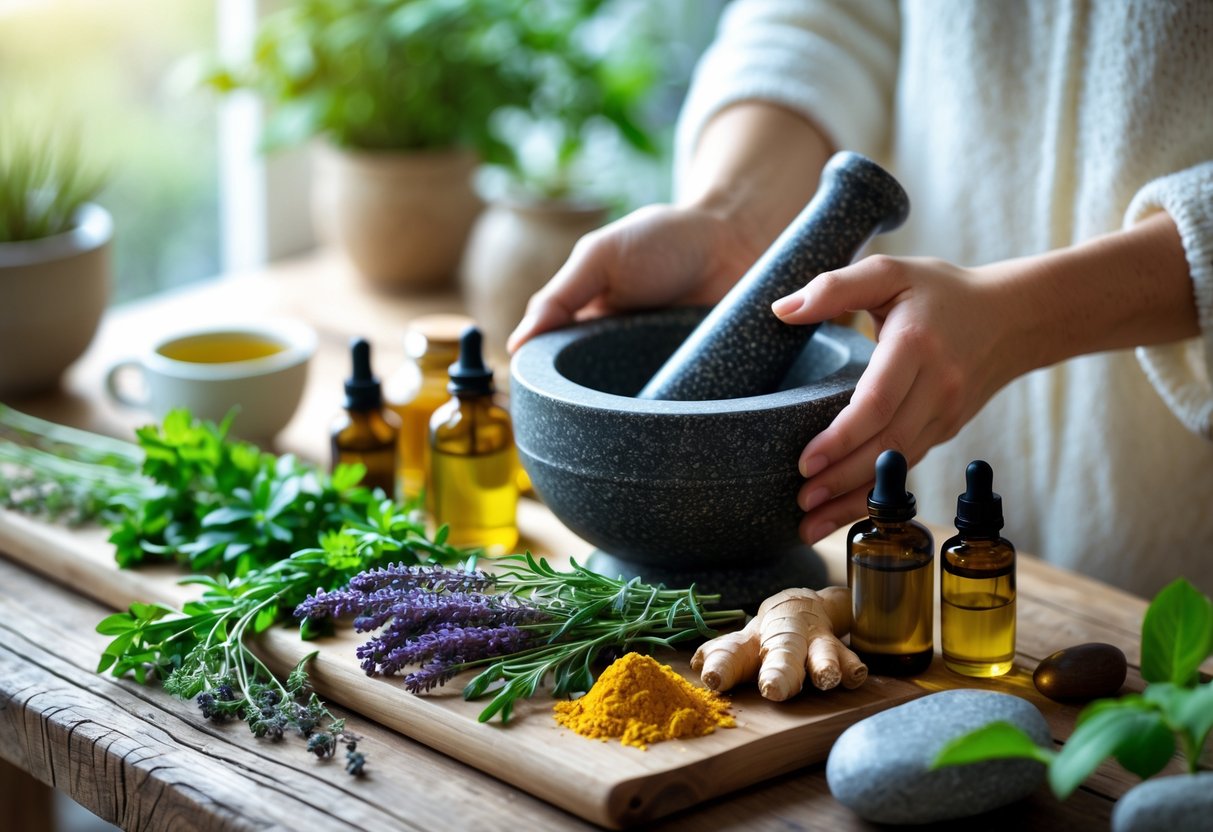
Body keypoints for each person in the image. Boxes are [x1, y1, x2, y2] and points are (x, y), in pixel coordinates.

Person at [508, 0, 1213, 598]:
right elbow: (822, 18)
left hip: (1172, 550)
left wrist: (1024, 315)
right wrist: (732, 220)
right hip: (913, 514)